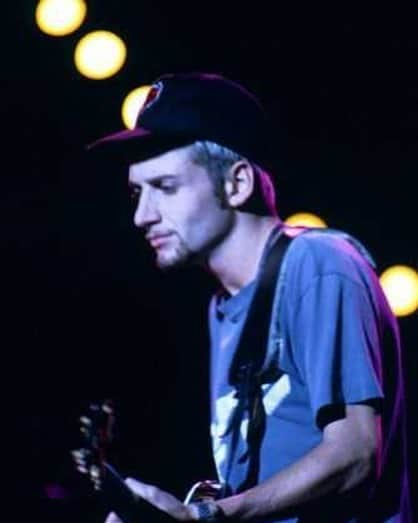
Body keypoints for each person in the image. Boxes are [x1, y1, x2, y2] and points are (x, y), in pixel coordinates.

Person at [86, 73, 411, 523]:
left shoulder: (317, 265)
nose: (142, 215)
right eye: (137, 193)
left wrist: (207, 516)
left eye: (165, 187)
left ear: (237, 183)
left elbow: (356, 453)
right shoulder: (222, 306)